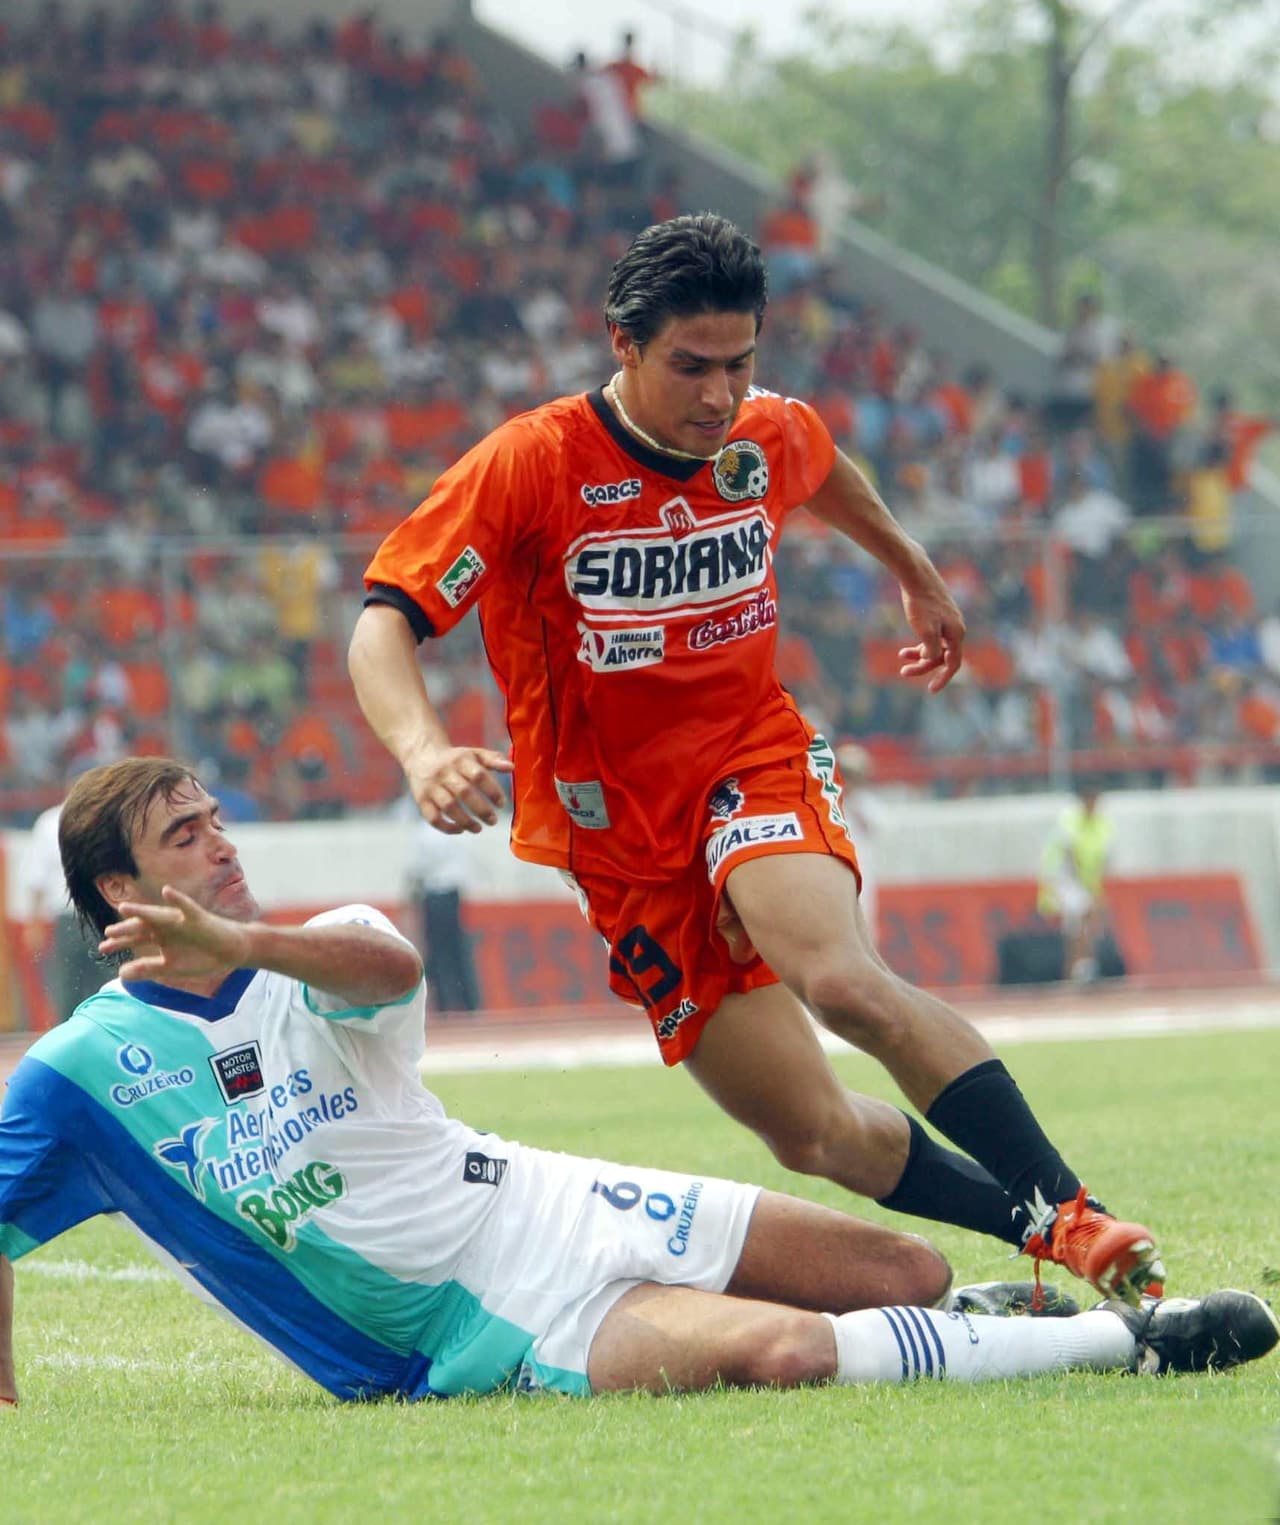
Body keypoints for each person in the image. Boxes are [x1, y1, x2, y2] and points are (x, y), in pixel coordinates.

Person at [348, 213, 1165, 1311]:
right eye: (690, 367)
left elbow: (818, 460)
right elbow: (383, 620)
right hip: (618, 842)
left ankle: (1070, 1212)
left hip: (750, 754)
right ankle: (1037, 1230)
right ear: (621, 345)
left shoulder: (756, 431)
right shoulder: (531, 464)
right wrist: (419, 747)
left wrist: (913, 572)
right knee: (813, 1132)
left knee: (838, 980)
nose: (718, 396)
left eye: (739, 364)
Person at [2, 757, 1274, 1409]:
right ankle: (1136, 1343)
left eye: (218, 819)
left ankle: (980, 1313)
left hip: (536, 1195)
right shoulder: (77, 1074)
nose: (221, 845)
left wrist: (244, 944)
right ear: (120, 890)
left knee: (906, 1274)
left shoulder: (316, 944)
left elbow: (383, 964)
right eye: (185, 838)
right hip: (473, 1326)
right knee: (781, 1353)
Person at [18, 800, 103, 1024]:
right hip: (68, 916)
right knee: (67, 985)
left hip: (103, 914)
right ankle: (69, 1039)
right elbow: (37, 877)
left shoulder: (106, 815)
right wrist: (33, 923)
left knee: (106, 982)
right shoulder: (50, 821)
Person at [402, 794, 483, 1013]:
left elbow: (417, 870)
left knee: (438, 953)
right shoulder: (458, 828)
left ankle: (445, 1003)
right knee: (459, 950)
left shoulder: (424, 832)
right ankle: (469, 1001)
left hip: (434, 895)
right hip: (453, 895)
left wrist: (409, 898)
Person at [1038, 784, 1118, 985]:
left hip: (1084, 882)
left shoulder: (1103, 823)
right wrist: (1087, 888)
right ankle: (1084, 967)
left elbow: (1103, 859)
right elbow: (1069, 853)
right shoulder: (1070, 818)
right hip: (1064, 877)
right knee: (1085, 915)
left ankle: (1077, 969)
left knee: (1079, 927)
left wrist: (1095, 887)